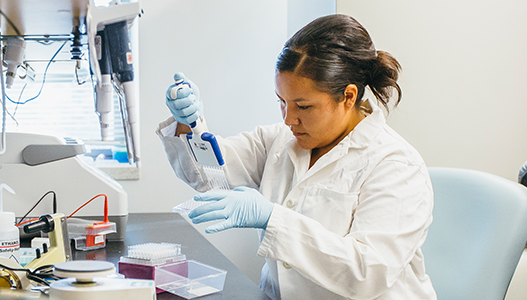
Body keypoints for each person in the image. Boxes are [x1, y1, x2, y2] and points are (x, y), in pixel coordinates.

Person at [158, 15, 437, 299]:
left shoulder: (396, 166)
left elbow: (367, 274)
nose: (289, 119)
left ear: (349, 96)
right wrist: (188, 125)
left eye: (303, 106)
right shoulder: (282, 141)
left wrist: (271, 219)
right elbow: (209, 177)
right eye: (282, 102)